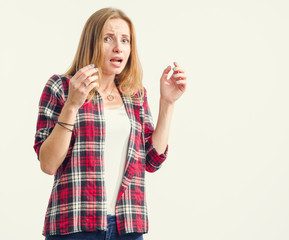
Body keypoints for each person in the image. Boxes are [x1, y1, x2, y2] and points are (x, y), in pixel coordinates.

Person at [34, 7, 187, 240]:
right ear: (91, 43)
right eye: (108, 39)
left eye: (125, 40)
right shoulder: (62, 87)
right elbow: (48, 164)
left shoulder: (134, 94)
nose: (118, 47)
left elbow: (152, 160)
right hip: (76, 223)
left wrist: (167, 103)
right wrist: (72, 105)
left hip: (128, 225)